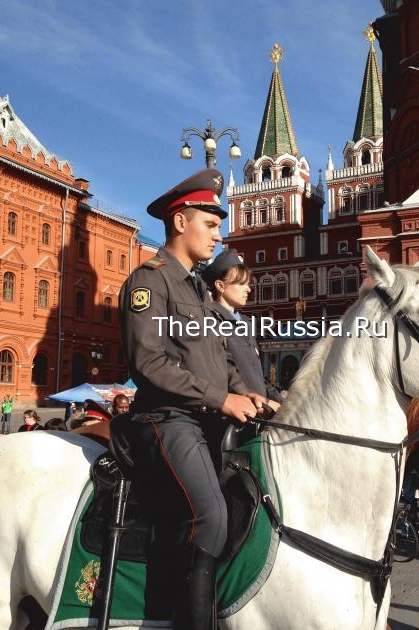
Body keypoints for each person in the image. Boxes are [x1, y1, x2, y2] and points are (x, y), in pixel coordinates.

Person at [114, 168, 266, 629]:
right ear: (181, 222)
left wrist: (252, 395)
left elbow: (222, 358)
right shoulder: (149, 282)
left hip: (206, 419)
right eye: (211, 223)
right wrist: (222, 399)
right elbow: (150, 364)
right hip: (166, 419)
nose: (219, 234)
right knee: (211, 515)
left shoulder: (199, 291)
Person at [202, 248, 284, 409]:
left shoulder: (246, 323)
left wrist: (282, 401)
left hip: (260, 412)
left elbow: (258, 377)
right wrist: (265, 403)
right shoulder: (210, 320)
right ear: (220, 285)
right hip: (234, 414)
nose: (249, 289)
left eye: (248, 284)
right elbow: (225, 376)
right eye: (241, 284)